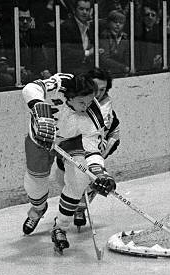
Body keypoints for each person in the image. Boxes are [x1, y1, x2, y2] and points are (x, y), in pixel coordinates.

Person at [21, 72, 116, 253]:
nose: (86, 106)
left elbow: (92, 151)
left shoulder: (93, 117)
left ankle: (61, 227)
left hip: (70, 142)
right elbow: (30, 88)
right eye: (82, 102)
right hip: (39, 140)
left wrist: (100, 174)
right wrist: (41, 112)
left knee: (80, 179)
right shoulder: (62, 83)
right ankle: (38, 210)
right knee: (35, 187)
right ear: (69, 97)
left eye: (89, 102)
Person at [72, 68, 120, 227]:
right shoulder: (79, 99)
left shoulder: (105, 105)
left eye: (103, 90)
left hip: (96, 146)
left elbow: (113, 128)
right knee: (73, 179)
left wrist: (106, 147)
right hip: (74, 146)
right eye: (95, 88)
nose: (99, 93)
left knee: (94, 178)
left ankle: (80, 208)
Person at [60, 0, 100, 74]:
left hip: (87, 67)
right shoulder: (66, 26)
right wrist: (88, 53)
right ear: (74, 10)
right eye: (81, 9)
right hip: (71, 68)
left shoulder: (90, 26)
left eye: (87, 10)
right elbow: (65, 51)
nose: (85, 12)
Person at [98, 9, 130, 75]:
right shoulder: (104, 36)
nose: (118, 24)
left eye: (121, 22)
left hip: (122, 72)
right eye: (115, 22)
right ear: (109, 22)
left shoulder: (125, 37)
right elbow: (104, 59)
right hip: (107, 73)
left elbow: (127, 56)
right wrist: (123, 67)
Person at [135, 3, 163, 73]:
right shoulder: (137, 32)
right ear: (143, 18)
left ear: (157, 19)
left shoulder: (160, 34)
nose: (150, 17)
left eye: (153, 15)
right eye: (147, 15)